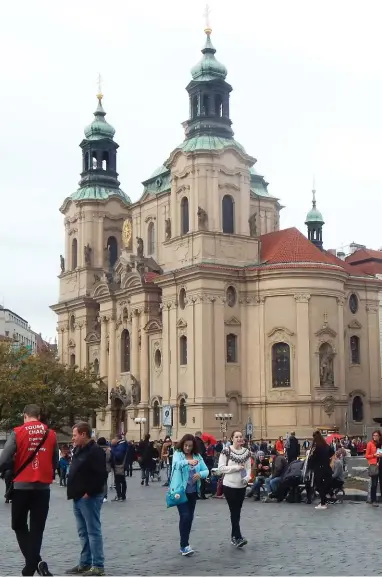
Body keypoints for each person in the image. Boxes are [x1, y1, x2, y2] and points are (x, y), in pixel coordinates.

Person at [0, 403, 58, 577]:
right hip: (43, 488)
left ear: (25, 416)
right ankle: (36, 564)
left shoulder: (18, 432)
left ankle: (32, 566)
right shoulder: (51, 434)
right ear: (39, 416)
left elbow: (4, 459)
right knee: (37, 528)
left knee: (18, 525)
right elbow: (55, 460)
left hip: (22, 486)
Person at [66, 422, 107, 576]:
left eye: (75, 435)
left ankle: (98, 565)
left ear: (83, 434)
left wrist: (88, 492)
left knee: (93, 531)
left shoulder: (95, 451)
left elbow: (101, 475)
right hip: (77, 497)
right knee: (83, 532)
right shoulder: (78, 449)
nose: (73, 438)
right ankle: (85, 563)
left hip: (88, 497)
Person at [170, 434, 209, 556]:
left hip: (192, 492)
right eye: (186, 445)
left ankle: (185, 543)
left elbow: (206, 470)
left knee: (189, 517)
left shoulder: (198, 456)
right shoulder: (178, 454)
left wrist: (200, 475)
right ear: (182, 445)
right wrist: (188, 462)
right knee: (185, 515)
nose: (187, 448)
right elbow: (176, 465)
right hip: (180, 491)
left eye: (190, 446)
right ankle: (184, 545)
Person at [218, 430, 251, 548]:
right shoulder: (226, 451)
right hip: (229, 485)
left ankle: (234, 537)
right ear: (232, 438)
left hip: (241, 485)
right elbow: (221, 468)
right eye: (236, 436)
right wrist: (235, 468)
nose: (239, 438)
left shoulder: (246, 452)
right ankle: (238, 537)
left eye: (240, 436)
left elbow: (248, 468)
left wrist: (247, 478)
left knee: (237, 511)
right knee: (234, 511)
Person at [308, 429, 334, 510]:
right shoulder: (326, 446)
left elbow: (311, 459)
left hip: (319, 469)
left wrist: (310, 466)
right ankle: (327, 498)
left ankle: (323, 503)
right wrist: (330, 463)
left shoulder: (316, 448)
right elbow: (332, 453)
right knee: (324, 485)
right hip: (327, 468)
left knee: (319, 486)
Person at [365, 429, 382, 507]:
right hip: (374, 466)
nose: (375, 437)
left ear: (379, 436)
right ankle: (373, 500)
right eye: (374, 435)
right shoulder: (370, 444)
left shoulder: (381, 444)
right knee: (374, 484)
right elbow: (366, 456)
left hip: (380, 465)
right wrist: (374, 455)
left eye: (377, 435)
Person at [110, 435, 128, 501]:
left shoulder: (121, 445)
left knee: (118, 481)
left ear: (117, 439)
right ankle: (122, 495)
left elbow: (118, 455)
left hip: (119, 465)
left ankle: (120, 495)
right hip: (121, 465)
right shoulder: (123, 444)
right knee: (122, 481)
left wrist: (112, 449)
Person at [96, 437, 112, 502]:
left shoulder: (96, 449)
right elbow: (108, 458)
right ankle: (104, 496)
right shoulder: (108, 450)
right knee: (105, 482)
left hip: (98, 467)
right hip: (106, 467)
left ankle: (99, 495)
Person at [194, 431, 208, 499]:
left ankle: (196, 494)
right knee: (202, 478)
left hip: (194, 462)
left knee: (195, 478)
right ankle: (202, 494)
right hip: (200, 461)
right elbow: (201, 452)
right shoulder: (200, 442)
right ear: (199, 435)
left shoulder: (193, 441)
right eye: (201, 435)